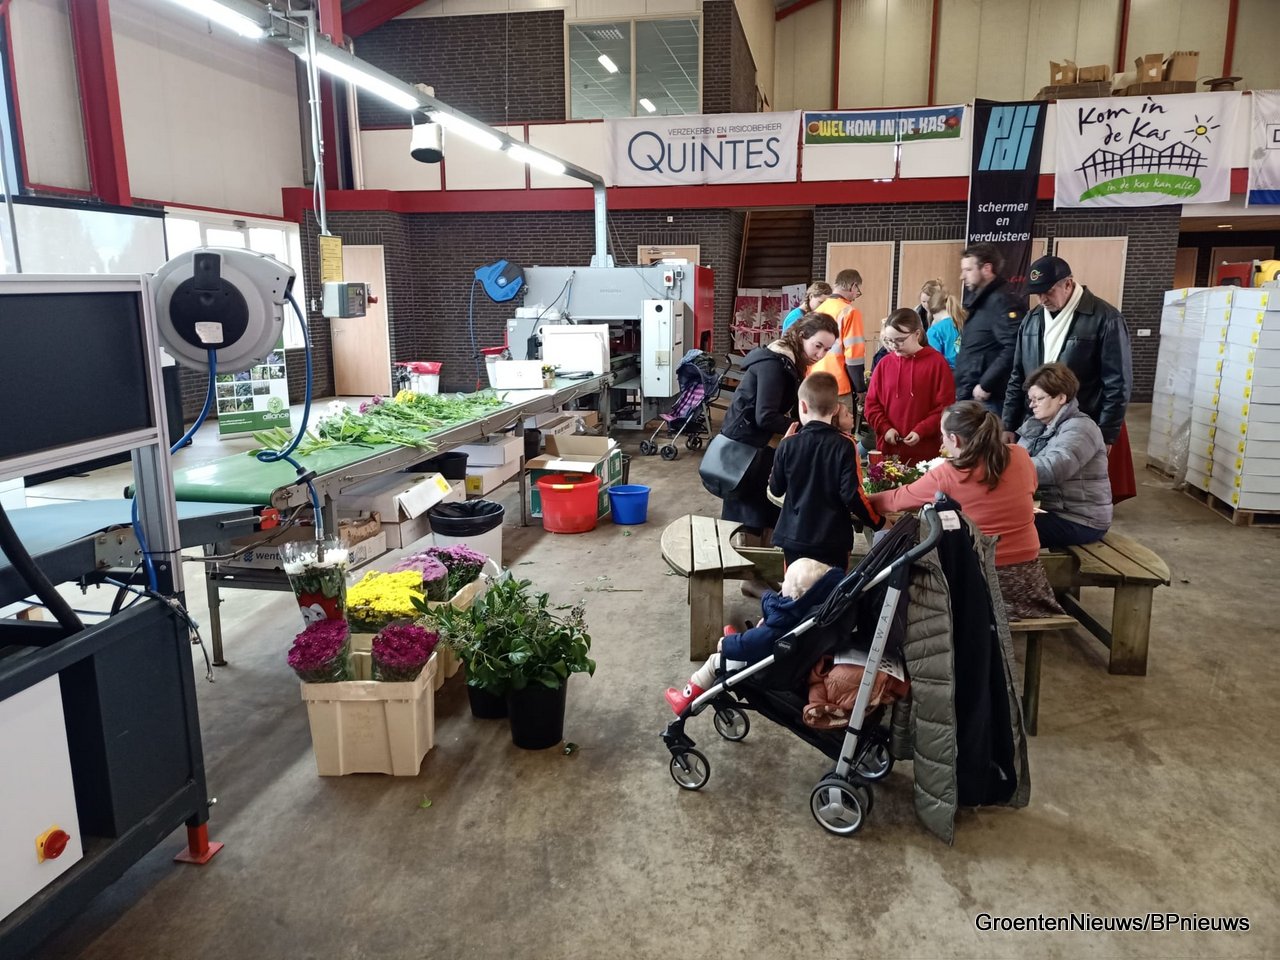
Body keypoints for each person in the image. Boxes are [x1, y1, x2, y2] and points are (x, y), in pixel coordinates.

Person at [866, 401, 1061, 620]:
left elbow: (894, 501)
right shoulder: (1020, 456)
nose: (942, 441)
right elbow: (1030, 487)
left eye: (942, 435)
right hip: (1029, 584)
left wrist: (858, 499)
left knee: (901, 556)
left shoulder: (948, 474)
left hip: (977, 587)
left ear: (954, 439)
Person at [718, 313, 839, 594]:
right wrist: (809, 427)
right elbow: (765, 416)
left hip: (764, 446)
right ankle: (751, 578)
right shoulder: (774, 364)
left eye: (827, 349)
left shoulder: (790, 362)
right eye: (818, 345)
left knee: (768, 510)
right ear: (801, 336)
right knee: (752, 514)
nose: (820, 354)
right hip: (747, 449)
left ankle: (762, 574)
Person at [1001, 254, 1135, 503]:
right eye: (1037, 293)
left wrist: (1107, 432)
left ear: (1068, 284)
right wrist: (1008, 423)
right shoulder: (1032, 320)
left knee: (1075, 491)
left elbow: (1118, 383)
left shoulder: (1105, 318)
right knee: (1039, 488)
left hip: (1081, 422)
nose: (1042, 299)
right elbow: (1017, 375)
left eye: (1048, 291)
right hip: (1038, 421)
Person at [664, 559, 844, 714]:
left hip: (763, 665)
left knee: (714, 662)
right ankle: (741, 641)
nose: (782, 583)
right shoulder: (809, 611)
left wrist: (727, 644)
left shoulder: (782, 623)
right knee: (753, 637)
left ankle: (685, 699)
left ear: (795, 596)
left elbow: (761, 642)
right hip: (782, 655)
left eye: (786, 581)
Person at [767, 373, 882, 570]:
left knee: (796, 587)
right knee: (832, 589)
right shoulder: (846, 445)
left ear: (802, 406)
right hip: (832, 539)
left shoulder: (788, 444)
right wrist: (878, 522)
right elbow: (852, 495)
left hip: (794, 537)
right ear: (836, 408)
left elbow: (776, 489)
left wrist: (781, 451)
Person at [1016, 363, 1111, 547]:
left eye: (1039, 399)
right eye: (1031, 399)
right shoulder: (1037, 425)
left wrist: (1002, 465)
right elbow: (1017, 458)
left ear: (1061, 397)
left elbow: (1053, 469)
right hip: (1052, 511)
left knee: (1001, 531)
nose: (1032, 405)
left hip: (1081, 520)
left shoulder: (1081, 427)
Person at [863, 308, 955, 465]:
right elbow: (871, 405)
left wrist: (922, 430)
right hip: (889, 452)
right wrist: (885, 428)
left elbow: (945, 407)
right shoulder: (884, 364)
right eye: (889, 340)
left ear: (917, 334)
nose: (894, 346)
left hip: (925, 453)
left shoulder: (937, 363)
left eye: (900, 340)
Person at [954, 243, 1023, 415]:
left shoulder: (1002, 301)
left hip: (987, 398)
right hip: (971, 392)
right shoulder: (983, 301)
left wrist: (986, 384)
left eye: (968, 270)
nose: (962, 276)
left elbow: (1014, 346)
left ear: (986, 269)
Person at [809, 269, 867, 411]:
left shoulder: (817, 311)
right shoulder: (850, 312)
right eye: (857, 290)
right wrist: (860, 388)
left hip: (813, 383)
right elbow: (854, 357)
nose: (856, 295)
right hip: (839, 385)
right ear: (853, 286)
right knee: (842, 424)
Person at [921, 278, 966, 370]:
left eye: (926, 302)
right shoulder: (962, 321)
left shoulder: (935, 331)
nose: (925, 305)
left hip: (947, 372)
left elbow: (933, 362)